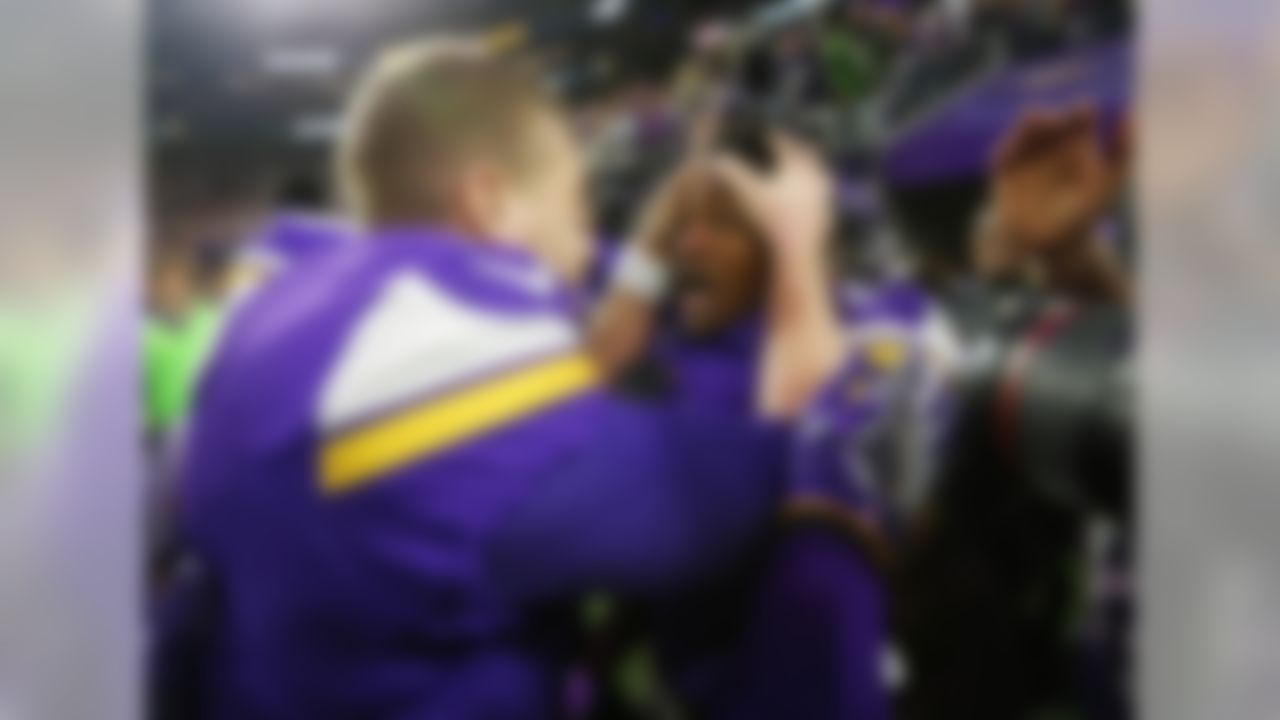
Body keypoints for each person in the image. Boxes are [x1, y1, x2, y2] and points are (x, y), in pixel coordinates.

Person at [161, 38, 850, 720]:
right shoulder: (434, 369)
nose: (588, 244)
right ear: (488, 200)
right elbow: (799, 471)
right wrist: (796, 243)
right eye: (576, 204)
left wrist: (640, 265)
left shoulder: (280, 303)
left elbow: (551, 417)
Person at [586, 114, 956, 720]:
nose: (690, 242)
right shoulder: (667, 331)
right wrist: (651, 239)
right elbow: (556, 429)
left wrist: (794, 248)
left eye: (726, 222)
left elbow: (810, 452)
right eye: (681, 222)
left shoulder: (885, 323)